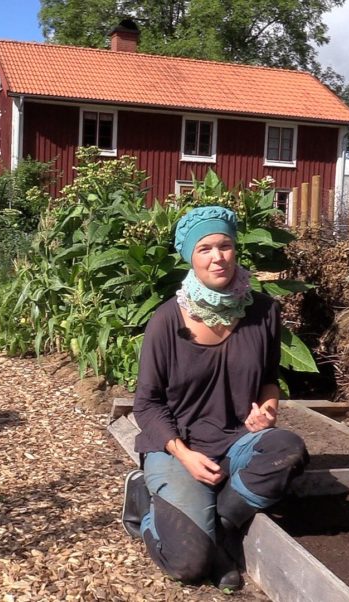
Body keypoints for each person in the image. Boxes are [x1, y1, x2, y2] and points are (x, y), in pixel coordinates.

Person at [121, 205, 309, 591]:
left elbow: (269, 381)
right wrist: (185, 455)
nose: (217, 257)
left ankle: (219, 530)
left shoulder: (263, 312)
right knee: (189, 565)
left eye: (224, 245)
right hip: (179, 446)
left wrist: (268, 407)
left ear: (236, 249)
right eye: (205, 248)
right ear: (191, 256)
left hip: (237, 439)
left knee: (288, 449)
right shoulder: (166, 321)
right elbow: (147, 404)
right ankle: (144, 502)